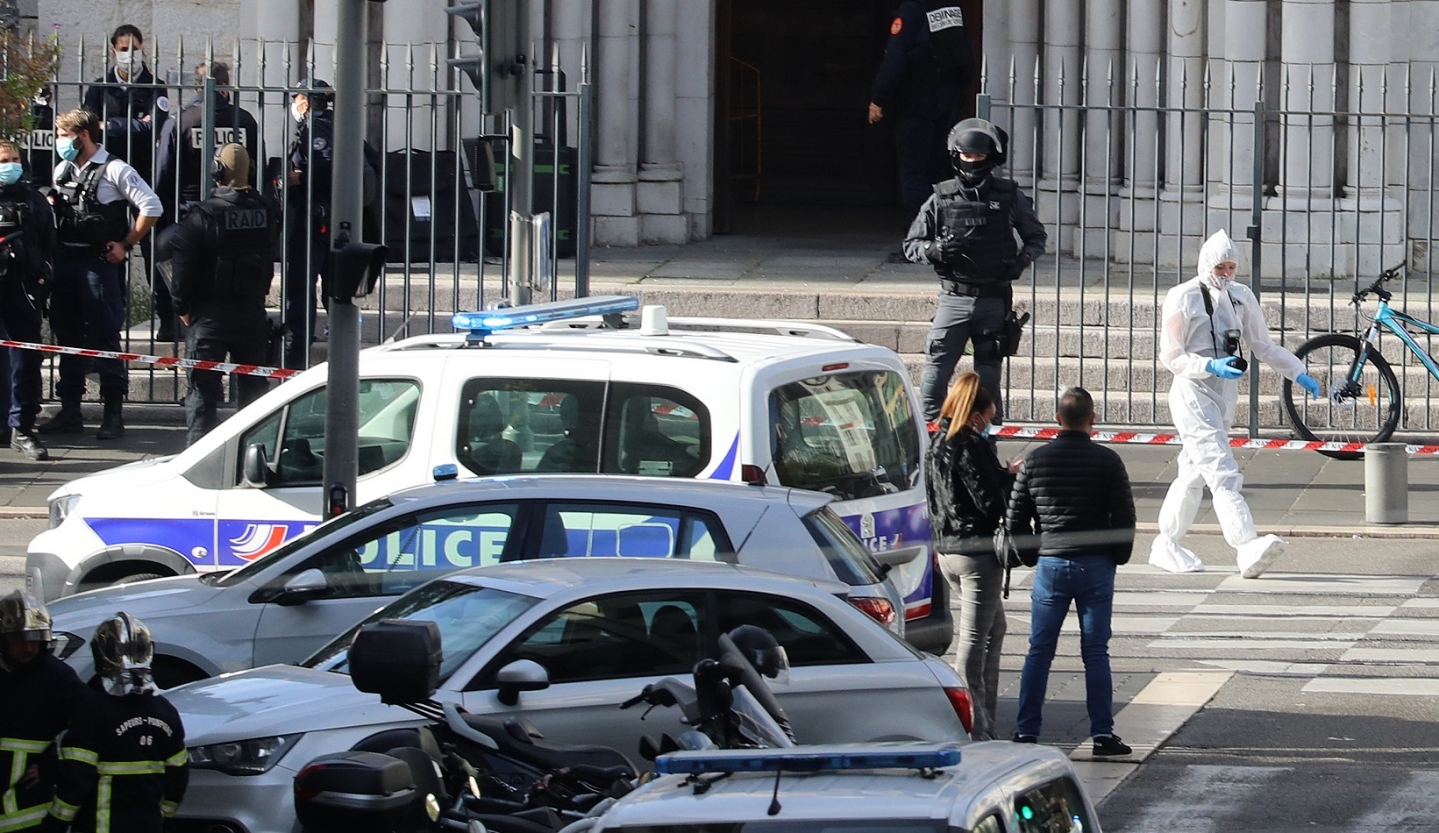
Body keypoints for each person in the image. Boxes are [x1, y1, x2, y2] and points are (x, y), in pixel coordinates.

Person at [1149, 229, 1321, 579]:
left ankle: (1166, 542)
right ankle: (1246, 545)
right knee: (1221, 469)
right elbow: (1171, 355)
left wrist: (1297, 372)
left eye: (1231, 267)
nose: (1225, 274)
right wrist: (1207, 365)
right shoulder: (1182, 296)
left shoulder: (1241, 297)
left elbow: (1264, 346)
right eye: (1220, 266)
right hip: (1192, 392)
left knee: (1193, 471)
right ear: (1206, 263)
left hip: (1224, 392)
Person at [1004, 387, 1136, 758]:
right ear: (1092, 419)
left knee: (1039, 651)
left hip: (1051, 563)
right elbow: (1124, 517)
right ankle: (1102, 734)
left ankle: (1026, 731)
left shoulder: (1035, 461)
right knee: (1095, 652)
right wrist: (1117, 557)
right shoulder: (1108, 462)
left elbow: (1016, 519)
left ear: (1058, 420)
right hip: (1096, 564)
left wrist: (1033, 555)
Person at [904, 118, 1047, 428]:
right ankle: (932, 440)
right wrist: (934, 251)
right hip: (953, 298)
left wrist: (1021, 261)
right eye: (967, 156)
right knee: (933, 377)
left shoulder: (1010, 196)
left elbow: (1036, 237)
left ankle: (986, 443)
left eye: (978, 156)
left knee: (989, 382)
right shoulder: (940, 197)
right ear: (957, 157)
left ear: (991, 158)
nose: (972, 161)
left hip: (993, 300)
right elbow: (911, 244)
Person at [38, 109, 164, 441]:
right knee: (67, 338)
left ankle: (113, 414)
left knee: (106, 338)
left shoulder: (115, 169)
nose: (59, 142)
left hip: (98, 265)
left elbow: (151, 206)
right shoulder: (62, 169)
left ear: (83, 136)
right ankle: (70, 411)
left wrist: (125, 243)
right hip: (66, 261)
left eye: (63, 135)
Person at [168, 143, 281, 446]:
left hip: (209, 317)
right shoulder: (266, 212)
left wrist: (182, 308)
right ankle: (253, 456)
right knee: (254, 397)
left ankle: (198, 459)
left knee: (202, 395)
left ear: (217, 171)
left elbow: (181, 269)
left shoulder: (202, 215)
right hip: (251, 315)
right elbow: (268, 258)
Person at [925, 371, 1018, 740]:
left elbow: (936, 497)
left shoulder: (937, 443)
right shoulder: (971, 446)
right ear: (977, 414)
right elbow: (987, 502)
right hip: (976, 552)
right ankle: (975, 726)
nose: (992, 421)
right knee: (975, 642)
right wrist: (1008, 477)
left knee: (995, 628)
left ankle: (986, 720)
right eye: (991, 414)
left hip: (947, 549)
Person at [41, 612, 188, 833]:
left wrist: (55, 823)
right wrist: (164, 816)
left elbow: (77, 781)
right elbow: (178, 777)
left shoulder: (92, 711)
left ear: (100, 654)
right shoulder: (166, 712)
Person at [83, 24, 174, 340]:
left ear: (143, 49)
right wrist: (135, 124)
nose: (129, 55)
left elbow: (157, 129)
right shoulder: (99, 87)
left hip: (144, 176)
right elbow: (90, 130)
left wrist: (112, 125)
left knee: (153, 249)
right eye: (123, 49)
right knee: (110, 247)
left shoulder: (154, 87)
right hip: (106, 177)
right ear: (113, 50)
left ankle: (167, 318)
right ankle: (111, 320)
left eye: (134, 48)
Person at [868, 1, 976, 215]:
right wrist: (957, 97)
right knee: (937, 171)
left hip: (916, 104)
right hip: (946, 103)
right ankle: (939, 234)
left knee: (914, 173)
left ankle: (918, 238)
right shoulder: (952, 9)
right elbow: (967, 59)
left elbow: (895, 59)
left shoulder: (912, 11)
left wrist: (878, 99)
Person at [0, 591, 91, 833]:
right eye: (20, 640)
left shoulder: (58, 679)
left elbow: (91, 729)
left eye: (35, 639)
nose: (28, 648)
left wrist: (51, 767)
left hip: (28, 815)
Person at [0, 140, 58, 460]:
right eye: (4, 159)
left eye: (14, 159)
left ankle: (22, 428)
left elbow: (49, 245)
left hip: (22, 289)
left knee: (25, 359)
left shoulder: (33, 200)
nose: (11, 164)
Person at [154, 62, 261, 223]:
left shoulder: (180, 122)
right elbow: (257, 169)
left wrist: (158, 218)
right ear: (224, 87)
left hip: (188, 212)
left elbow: (163, 172)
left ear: (198, 87)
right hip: (235, 212)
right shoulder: (245, 120)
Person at [281, 79, 335, 370]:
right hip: (328, 214)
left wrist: (299, 178)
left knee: (302, 280)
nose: (295, 104)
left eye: (298, 98)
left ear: (307, 101)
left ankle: (298, 345)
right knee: (332, 283)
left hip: (315, 214)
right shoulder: (336, 123)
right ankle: (338, 334)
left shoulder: (316, 127)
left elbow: (326, 166)